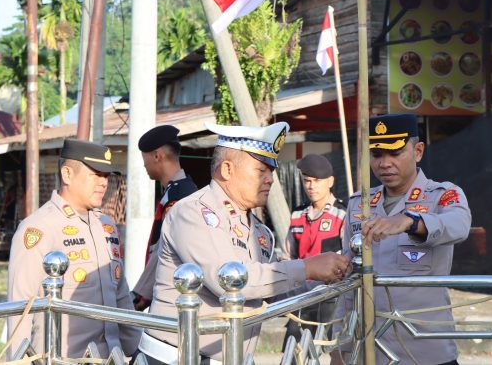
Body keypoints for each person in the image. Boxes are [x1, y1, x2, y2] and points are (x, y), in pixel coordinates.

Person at [139, 121, 351, 365]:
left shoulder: (259, 231)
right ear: (227, 169)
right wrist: (307, 267)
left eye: (271, 172)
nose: (270, 180)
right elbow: (228, 282)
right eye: (261, 171)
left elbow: (272, 290)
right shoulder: (193, 212)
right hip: (174, 358)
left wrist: (329, 277)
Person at [335, 113, 471, 365]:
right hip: (371, 352)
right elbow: (349, 282)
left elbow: (459, 225)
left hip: (426, 352)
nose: (384, 163)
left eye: (395, 153)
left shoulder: (441, 195)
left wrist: (411, 222)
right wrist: (340, 345)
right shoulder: (359, 204)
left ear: (418, 151)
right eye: (377, 154)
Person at [7, 139, 142, 359]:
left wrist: (137, 350)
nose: (103, 182)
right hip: (63, 358)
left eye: (106, 176)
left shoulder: (106, 226)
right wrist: (18, 361)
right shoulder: (39, 227)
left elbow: (120, 296)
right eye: (95, 174)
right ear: (67, 174)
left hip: (110, 358)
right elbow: (20, 308)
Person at [131, 125, 198, 310]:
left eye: (144, 158)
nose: (144, 165)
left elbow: (164, 248)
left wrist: (141, 293)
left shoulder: (180, 196)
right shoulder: (180, 190)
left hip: (173, 297)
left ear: (157, 156)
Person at [283, 154, 346, 345]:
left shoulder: (343, 214)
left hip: (332, 294)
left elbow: (349, 258)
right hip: (301, 294)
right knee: (294, 348)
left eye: (317, 181)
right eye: (307, 181)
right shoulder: (297, 214)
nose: (311, 186)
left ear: (330, 181)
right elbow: (288, 256)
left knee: (334, 348)